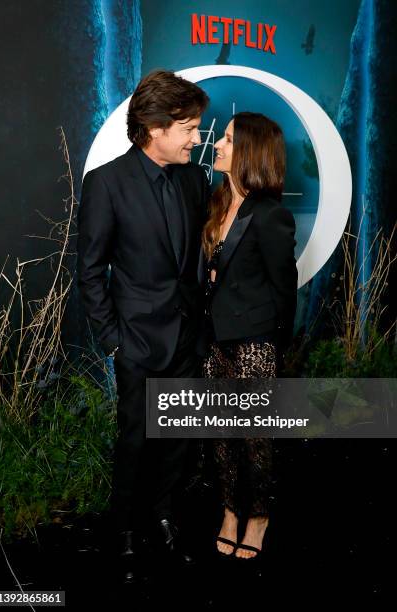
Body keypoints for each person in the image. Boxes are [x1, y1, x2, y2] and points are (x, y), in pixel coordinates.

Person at [77, 69, 210, 582]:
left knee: (177, 439)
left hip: (187, 338)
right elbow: (89, 270)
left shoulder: (195, 179)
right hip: (136, 341)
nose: (195, 139)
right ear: (155, 127)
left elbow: (195, 260)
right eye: (189, 129)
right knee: (136, 440)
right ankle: (125, 530)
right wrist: (113, 340)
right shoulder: (106, 183)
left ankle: (163, 518)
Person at [200, 112, 298, 560]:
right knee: (220, 434)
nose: (217, 144)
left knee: (255, 436)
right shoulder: (217, 202)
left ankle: (258, 516)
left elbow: (283, 291)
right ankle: (229, 512)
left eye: (228, 139)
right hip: (214, 341)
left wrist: (272, 351)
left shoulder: (272, 215)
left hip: (255, 343)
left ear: (251, 152)